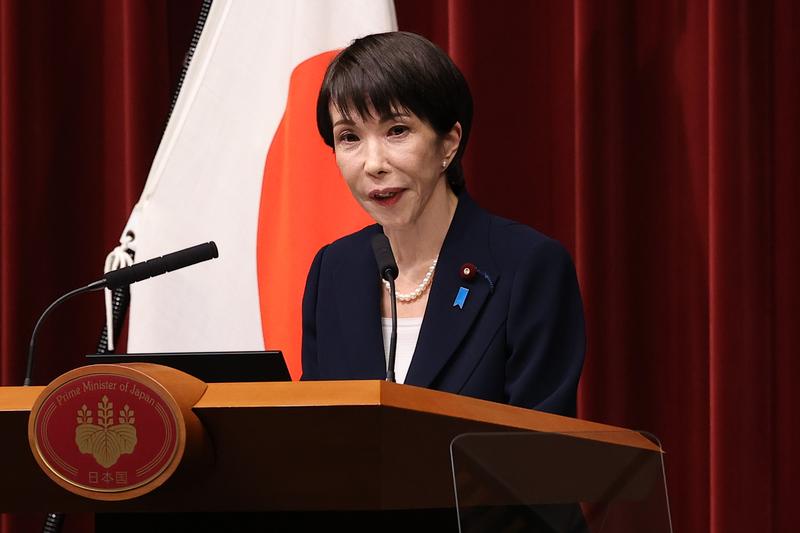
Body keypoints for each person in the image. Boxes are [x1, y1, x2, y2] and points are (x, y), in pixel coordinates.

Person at [301, 31, 585, 417]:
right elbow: (314, 429)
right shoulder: (334, 270)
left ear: (448, 143)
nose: (373, 164)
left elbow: (542, 444)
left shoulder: (528, 267)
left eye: (397, 131)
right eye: (349, 137)